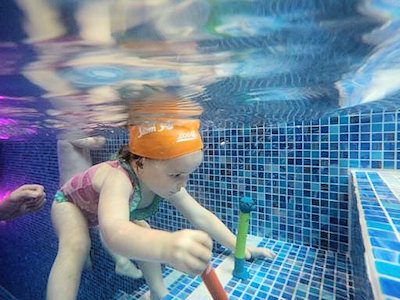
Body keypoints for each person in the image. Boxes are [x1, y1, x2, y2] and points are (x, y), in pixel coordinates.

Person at [47, 118, 275, 300]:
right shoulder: (119, 179)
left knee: (143, 231)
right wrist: (167, 246)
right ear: (140, 163)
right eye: (176, 175)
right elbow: (113, 232)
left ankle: (158, 293)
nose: (182, 183)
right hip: (69, 204)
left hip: (102, 209)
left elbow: (201, 216)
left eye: (187, 175)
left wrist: (239, 246)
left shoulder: (165, 180)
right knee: (76, 245)